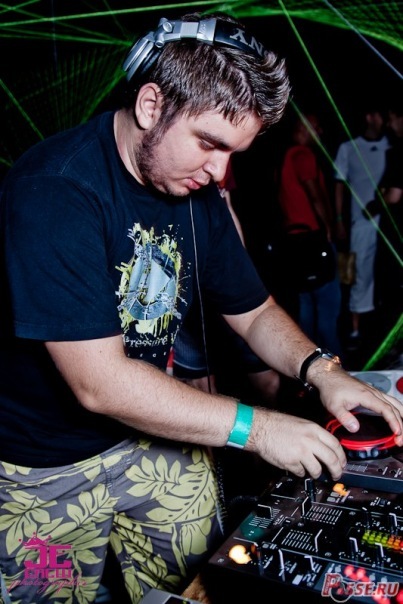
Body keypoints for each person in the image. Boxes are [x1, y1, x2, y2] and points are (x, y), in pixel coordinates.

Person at [0, 12, 402, 604]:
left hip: (153, 437)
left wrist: (323, 369)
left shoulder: (198, 193)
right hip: (43, 467)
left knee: (206, 585)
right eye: (210, 143)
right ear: (150, 105)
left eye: (234, 151)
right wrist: (259, 428)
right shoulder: (56, 189)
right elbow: (100, 384)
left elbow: (254, 312)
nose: (220, 172)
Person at [173, 158, 281, 404]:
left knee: (268, 381)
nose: (219, 166)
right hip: (184, 288)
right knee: (202, 387)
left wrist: (240, 264)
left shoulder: (221, 160)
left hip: (222, 284)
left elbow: (227, 208)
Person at [277, 110, 343, 356]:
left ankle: (307, 361)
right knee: (328, 306)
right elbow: (315, 196)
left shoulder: (284, 157)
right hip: (314, 240)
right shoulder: (303, 155)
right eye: (316, 127)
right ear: (304, 127)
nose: (320, 132)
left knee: (305, 303)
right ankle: (336, 365)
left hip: (294, 240)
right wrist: (330, 227)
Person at [333, 102, 390, 349]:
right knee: (359, 275)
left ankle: (385, 329)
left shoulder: (391, 146)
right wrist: (338, 220)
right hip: (360, 223)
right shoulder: (348, 148)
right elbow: (338, 185)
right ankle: (355, 330)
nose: (384, 121)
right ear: (370, 117)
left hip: (388, 224)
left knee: (386, 275)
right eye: (380, 115)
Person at [365, 98, 403, 343]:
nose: (389, 125)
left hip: (397, 234)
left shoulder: (399, 151)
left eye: (391, 119)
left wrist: (373, 205)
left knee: (393, 289)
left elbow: (394, 195)